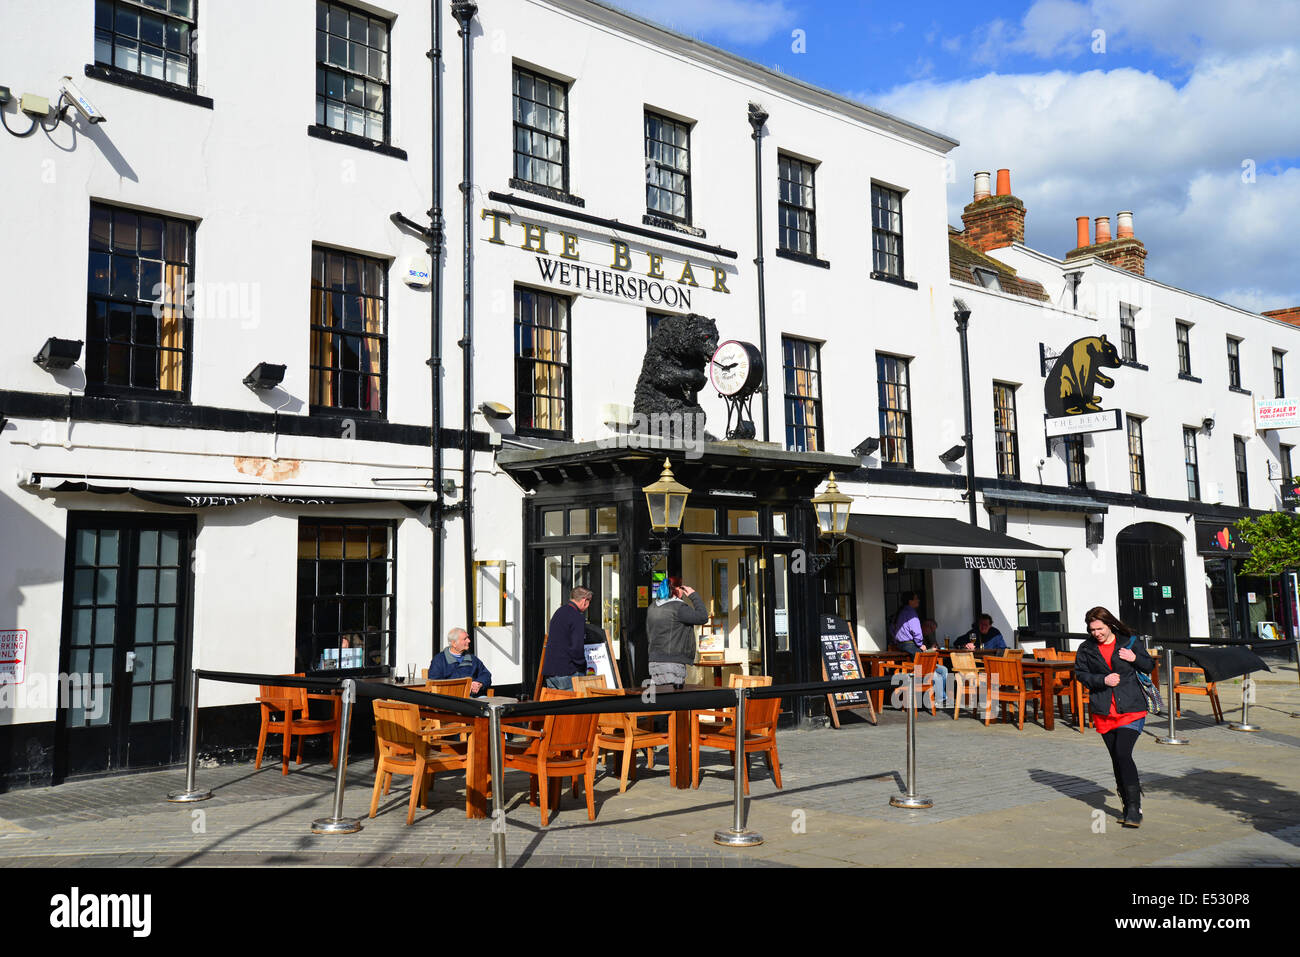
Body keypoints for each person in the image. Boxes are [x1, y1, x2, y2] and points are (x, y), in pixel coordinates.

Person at [1073, 606, 1153, 828]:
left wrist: (1135, 657)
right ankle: (1127, 806)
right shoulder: (1086, 648)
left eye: (1100, 628)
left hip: (1131, 708)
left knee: (1123, 753)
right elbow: (1080, 674)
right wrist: (1102, 680)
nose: (1096, 633)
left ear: (1109, 625)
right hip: (1104, 709)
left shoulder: (1128, 642)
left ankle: (1135, 809)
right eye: (1092, 629)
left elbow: (1149, 665)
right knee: (1116, 759)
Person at [646, 576, 708, 688]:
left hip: (654, 662)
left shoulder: (652, 608)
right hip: (672, 664)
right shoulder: (679, 608)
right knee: (672, 700)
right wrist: (693, 595)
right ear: (677, 590)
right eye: (681, 588)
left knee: (661, 700)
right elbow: (703, 617)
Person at [890, 594, 948, 707]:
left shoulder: (900, 613)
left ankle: (940, 697)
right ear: (910, 601)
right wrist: (920, 644)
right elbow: (916, 630)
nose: (918, 600)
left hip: (904, 646)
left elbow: (892, 629)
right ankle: (940, 698)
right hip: (910, 645)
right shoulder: (911, 614)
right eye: (916, 598)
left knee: (943, 670)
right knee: (932, 671)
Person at [542, 586, 592, 691]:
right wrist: (583, 665)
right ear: (584, 601)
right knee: (574, 706)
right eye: (589, 602)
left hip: (550, 671)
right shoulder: (577, 617)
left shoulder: (559, 612)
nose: (588, 606)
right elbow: (576, 647)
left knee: (555, 706)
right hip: (567, 671)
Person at [428, 627, 492, 695]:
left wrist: (479, 683)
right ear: (454, 643)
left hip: (474, 698)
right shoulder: (439, 660)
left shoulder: (472, 659)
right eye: (465, 639)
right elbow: (434, 683)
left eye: (468, 638)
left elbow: (486, 674)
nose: (469, 641)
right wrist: (462, 688)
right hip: (451, 699)